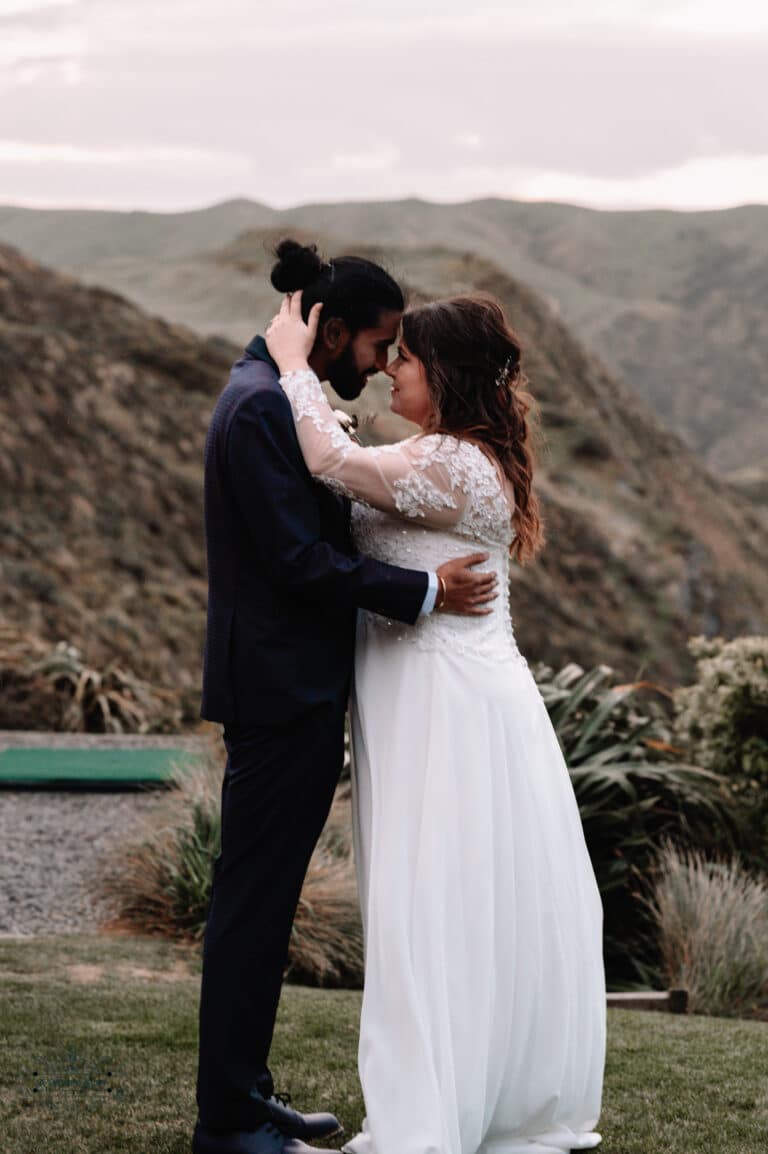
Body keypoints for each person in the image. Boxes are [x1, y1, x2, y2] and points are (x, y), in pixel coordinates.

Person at [264, 286, 607, 1154]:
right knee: (449, 900)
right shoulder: (442, 452)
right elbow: (362, 465)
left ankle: (431, 1112)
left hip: (441, 707)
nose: (386, 372)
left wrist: (295, 368)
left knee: (432, 902)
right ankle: (471, 1092)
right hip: (439, 693)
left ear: (443, 375)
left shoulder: (450, 464)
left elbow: (330, 465)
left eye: (404, 361)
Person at [193, 241, 498, 1154]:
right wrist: (427, 592)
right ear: (326, 333)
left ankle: (246, 1096)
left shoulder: (272, 395)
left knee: (265, 902)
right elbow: (295, 562)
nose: (378, 365)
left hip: (297, 689)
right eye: (376, 345)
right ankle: (229, 1120)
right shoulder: (256, 409)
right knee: (252, 906)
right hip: (279, 693)